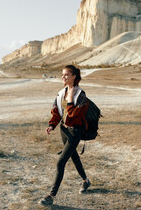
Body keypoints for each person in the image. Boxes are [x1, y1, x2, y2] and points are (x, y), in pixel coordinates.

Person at [39, 65, 91, 206]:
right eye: (62, 75)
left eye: (67, 75)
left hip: (75, 132)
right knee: (73, 156)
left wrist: (70, 100)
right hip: (64, 130)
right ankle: (86, 181)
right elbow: (56, 110)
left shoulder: (81, 95)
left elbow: (74, 115)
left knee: (60, 162)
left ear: (74, 76)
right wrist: (52, 125)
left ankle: (51, 195)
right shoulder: (61, 92)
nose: (63, 77)